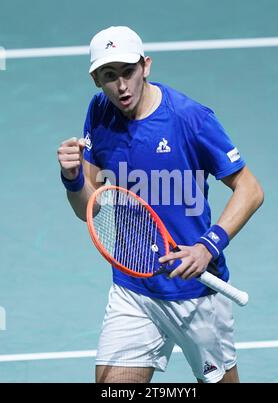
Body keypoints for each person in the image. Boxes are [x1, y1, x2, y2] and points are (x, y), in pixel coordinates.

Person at [57, 26, 264, 383]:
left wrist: (206, 246)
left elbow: (250, 189)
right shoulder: (99, 113)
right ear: (96, 80)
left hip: (196, 290)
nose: (121, 85)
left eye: (128, 72)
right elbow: (90, 209)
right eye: (110, 76)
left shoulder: (190, 118)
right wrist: (73, 178)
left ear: (146, 66)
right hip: (133, 288)